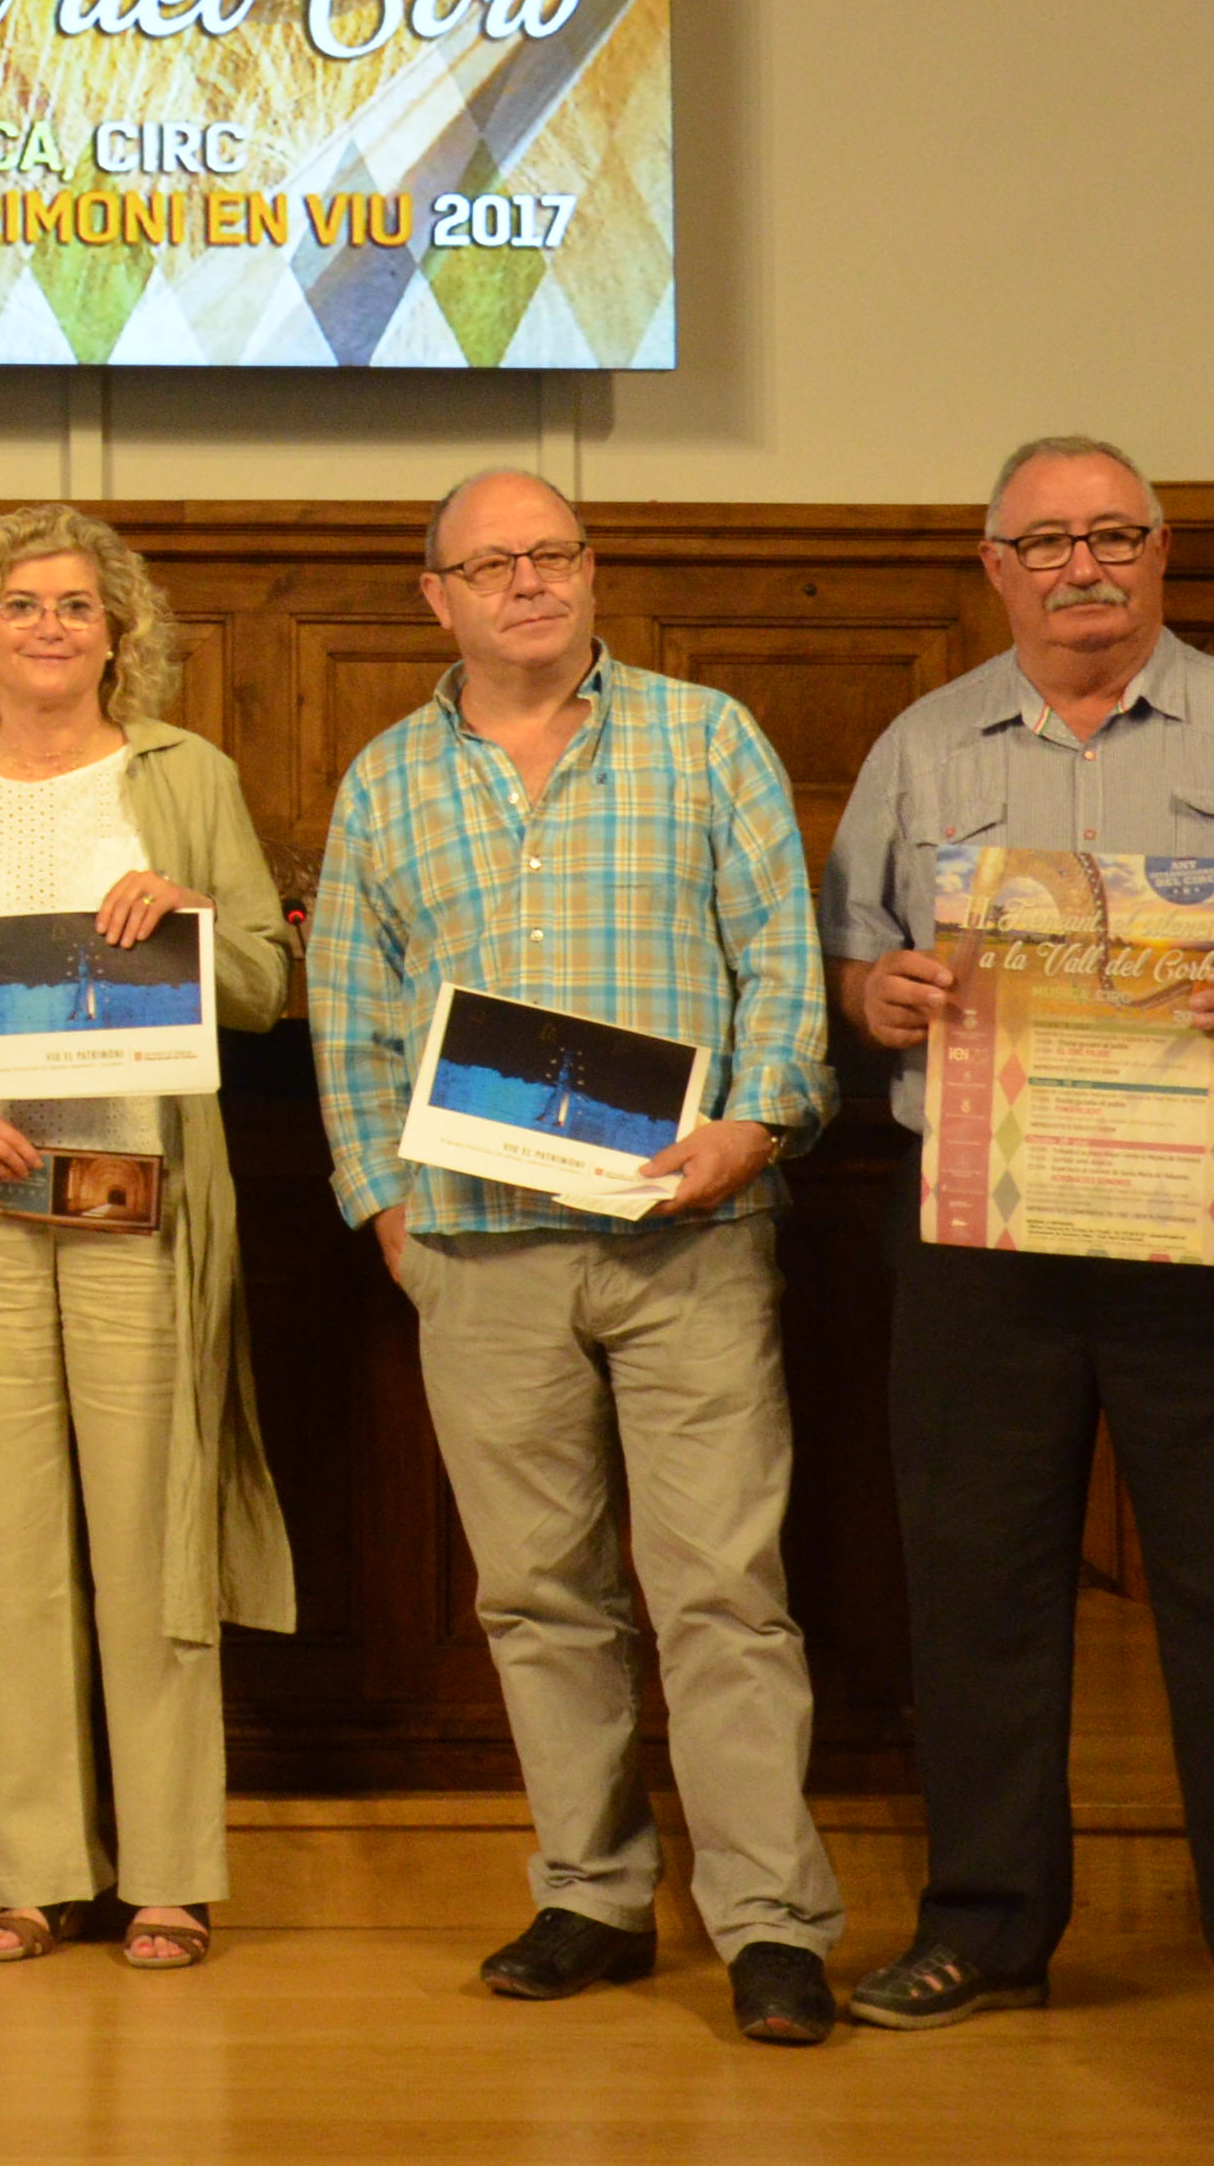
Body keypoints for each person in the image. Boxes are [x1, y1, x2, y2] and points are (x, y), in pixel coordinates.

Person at [826, 435, 1214, 2083]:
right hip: (984, 1223)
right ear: (995, 568)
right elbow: (851, 961)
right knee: (978, 1589)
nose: (1082, 566)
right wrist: (876, 994)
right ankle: (985, 1929)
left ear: (1162, 553)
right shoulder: (920, 746)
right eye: (1048, 543)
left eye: (1114, 536)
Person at [308, 467, 847, 2047]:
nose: (527, 582)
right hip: (476, 1255)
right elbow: (349, 1010)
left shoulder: (705, 737)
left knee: (725, 1595)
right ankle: (593, 1895)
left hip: (691, 1238)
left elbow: (784, 973)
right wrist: (382, 1208)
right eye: (492, 563)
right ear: (440, 595)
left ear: (593, 573)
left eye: (553, 555)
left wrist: (758, 1128)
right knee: (540, 1598)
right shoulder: (387, 779)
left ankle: (769, 1924)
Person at [0, 506, 295, 1971]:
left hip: (139, 1197)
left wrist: (196, 917)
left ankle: (167, 1873)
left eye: (76, 606)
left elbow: (274, 986)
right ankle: (35, 1872)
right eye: (19, 603)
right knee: (16, 1545)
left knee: (152, 1539)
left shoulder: (183, 774)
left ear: (118, 632)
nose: (47, 626)